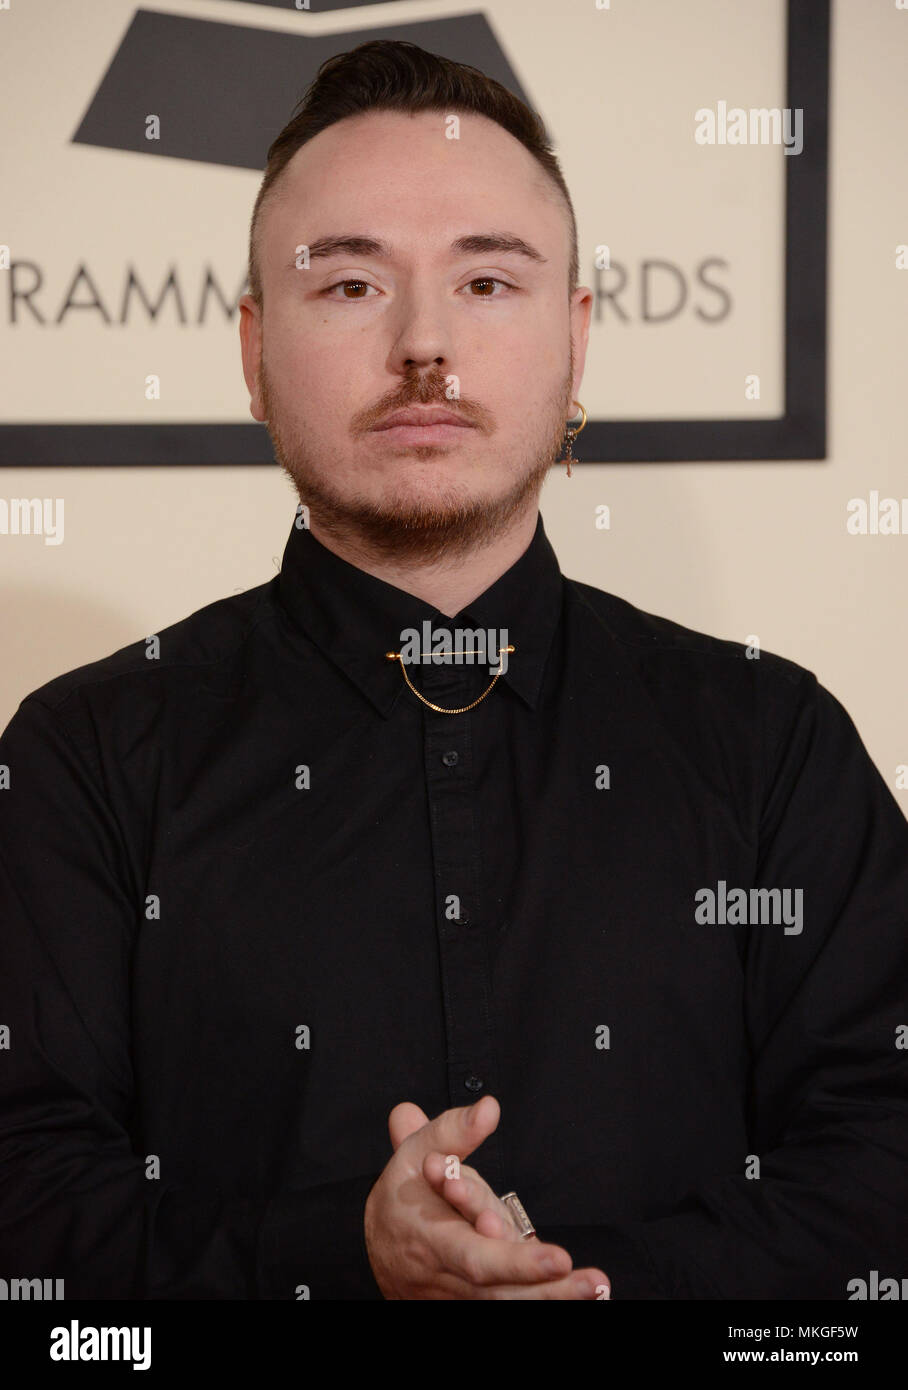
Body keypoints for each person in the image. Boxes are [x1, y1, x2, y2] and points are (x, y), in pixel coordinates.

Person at [0, 40, 905, 1301]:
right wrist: (344, 1263)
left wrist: (576, 1290)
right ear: (253, 352)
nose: (424, 343)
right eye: (351, 286)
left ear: (575, 339)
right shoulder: (81, 758)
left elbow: (878, 1167)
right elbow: (28, 1211)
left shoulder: (773, 745)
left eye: (486, 281)